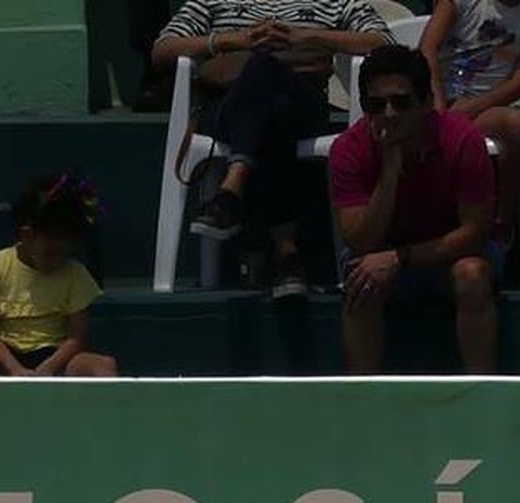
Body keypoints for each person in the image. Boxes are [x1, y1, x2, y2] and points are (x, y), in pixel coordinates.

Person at [151, 1, 390, 299]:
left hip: (302, 100)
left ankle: (231, 188)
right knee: (267, 83)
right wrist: (237, 40)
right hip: (231, 106)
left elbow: (382, 41)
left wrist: (305, 37)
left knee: (271, 83)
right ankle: (286, 251)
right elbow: (162, 50)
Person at [331, 44, 498, 374]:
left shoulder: (462, 139)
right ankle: (363, 400)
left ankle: (482, 394)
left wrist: (401, 257)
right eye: (376, 105)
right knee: (360, 281)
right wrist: (390, 173)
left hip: (450, 252)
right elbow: (360, 241)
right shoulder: (348, 149)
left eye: (401, 102)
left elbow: (474, 234)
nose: (389, 114)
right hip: (380, 251)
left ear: (425, 103)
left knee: (472, 276)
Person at [0, 174, 118, 378]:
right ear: (26, 236)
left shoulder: (76, 274)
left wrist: (48, 369)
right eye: (50, 254)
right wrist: (13, 368)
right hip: (2, 357)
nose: (58, 261)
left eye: (65, 253)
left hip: (56, 358)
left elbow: (77, 337)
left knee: (104, 365)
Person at [418, 0, 520, 242]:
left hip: (484, 107)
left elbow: (519, 83)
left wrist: (470, 109)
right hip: (435, 100)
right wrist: (438, 107)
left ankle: (499, 224)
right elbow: (427, 49)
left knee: (518, 125)